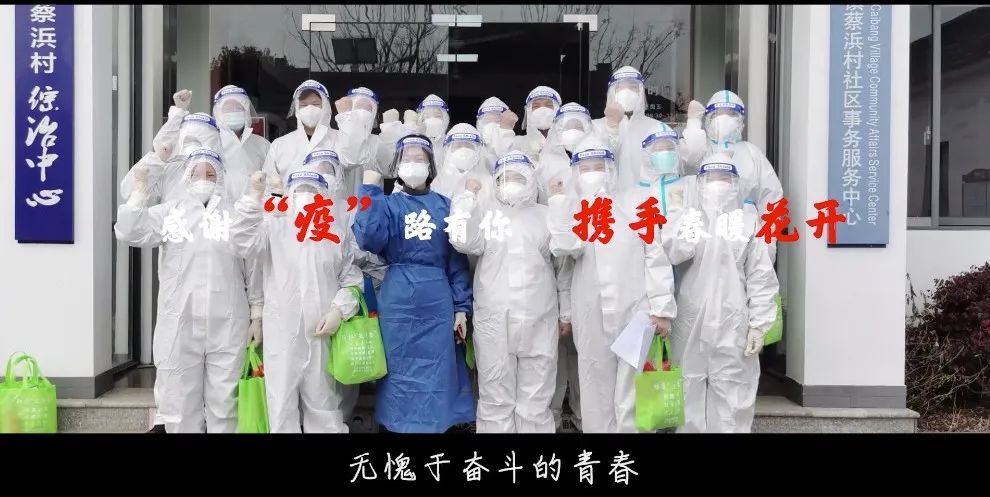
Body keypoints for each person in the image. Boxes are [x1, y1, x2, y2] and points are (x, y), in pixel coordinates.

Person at [114, 149, 262, 433]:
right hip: (179, 322)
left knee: (226, 406)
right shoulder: (173, 214)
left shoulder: (233, 216)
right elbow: (130, 231)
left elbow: (253, 264)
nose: (204, 178)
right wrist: (139, 192)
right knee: (178, 406)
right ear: (186, 177)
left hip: (228, 324)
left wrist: (257, 312)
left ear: (221, 178)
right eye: (197, 172)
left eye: (211, 173)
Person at [547, 134, 677, 433]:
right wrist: (558, 203)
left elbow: (655, 256)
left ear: (612, 168)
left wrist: (661, 308)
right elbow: (565, 254)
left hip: (637, 312)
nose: (593, 174)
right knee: (594, 387)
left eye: (599, 166)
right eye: (585, 168)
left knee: (632, 389)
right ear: (575, 173)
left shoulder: (636, 203)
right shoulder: (573, 210)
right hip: (590, 314)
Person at [352, 134, 475, 433]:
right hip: (398, 301)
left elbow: (456, 261)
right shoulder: (387, 204)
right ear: (397, 166)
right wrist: (369, 191)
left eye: (420, 159)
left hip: (437, 300)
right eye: (407, 158)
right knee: (398, 371)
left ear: (431, 166)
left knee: (438, 371)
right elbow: (368, 239)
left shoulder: (445, 206)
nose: (414, 163)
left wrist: (461, 307)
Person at [230, 160, 364, 433]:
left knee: (324, 406)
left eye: (313, 190)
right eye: (300, 189)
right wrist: (253, 198)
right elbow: (243, 241)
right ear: (288, 194)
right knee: (280, 406)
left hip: (321, 333)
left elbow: (352, 280)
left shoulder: (334, 233)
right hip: (282, 331)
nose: (306, 196)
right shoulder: (274, 225)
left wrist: (339, 310)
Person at [660, 155, 779, 433]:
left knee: (733, 392)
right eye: (712, 179)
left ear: (735, 184)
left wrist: (759, 324)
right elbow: (674, 253)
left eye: (725, 179)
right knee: (688, 388)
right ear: (700, 183)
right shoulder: (691, 217)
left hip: (733, 320)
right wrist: (681, 215)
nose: (718, 185)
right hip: (690, 319)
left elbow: (761, 275)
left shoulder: (748, 220)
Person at [448, 151, 560, 433]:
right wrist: (466, 199)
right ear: (495, 182)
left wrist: (561, 202)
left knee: (536, 398)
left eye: (518, 177)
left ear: (532, 180)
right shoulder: (486, 214)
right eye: (505, 178)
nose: (511, 183)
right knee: (495, 395)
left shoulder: (545, 215)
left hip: (539, 318)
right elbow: (461, 240)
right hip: (494, 319)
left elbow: (565, 257)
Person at [682, 90, 784, 261]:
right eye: (717, 114)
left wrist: (767, 247)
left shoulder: (752, 154)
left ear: (741, 120)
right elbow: (688, 157)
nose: (724, 119)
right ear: (708, 119)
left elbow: (771, 200)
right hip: (701, 237)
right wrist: (693, 124)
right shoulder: (701, 150)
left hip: (742, 238)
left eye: (730, 114)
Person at [211, 85, 271, 199]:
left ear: (247, 111)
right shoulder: (212, 143)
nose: (234, 112)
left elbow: (271, 180)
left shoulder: (262, 144)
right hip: (222, 206)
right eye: (228, 109)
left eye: (239, 108)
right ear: (218, 113)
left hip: (255, 205)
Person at [639, 122, 697, 217]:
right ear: (647, 154)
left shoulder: (689, 186)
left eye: (670, 148)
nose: (665, 152)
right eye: (659, 149)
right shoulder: (635, 194)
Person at [429, 123, 493, 200]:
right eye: (458, 146)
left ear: (478, 150)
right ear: (447, 151)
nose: (463, 150)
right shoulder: (436, 182)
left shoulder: (488, 182)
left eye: (468, 146)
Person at [518, 86, 562, 161]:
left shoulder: (568, 143)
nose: (542, 110)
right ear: (528, 112)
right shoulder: (518, 144)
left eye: (548, 105)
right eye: (536, 106)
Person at [476, 97, 520, 162]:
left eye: (497, 120)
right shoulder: (474, 152)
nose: (492, 125)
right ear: (479, 124)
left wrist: (505, 134)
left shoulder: (519, 144)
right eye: (487, 120)